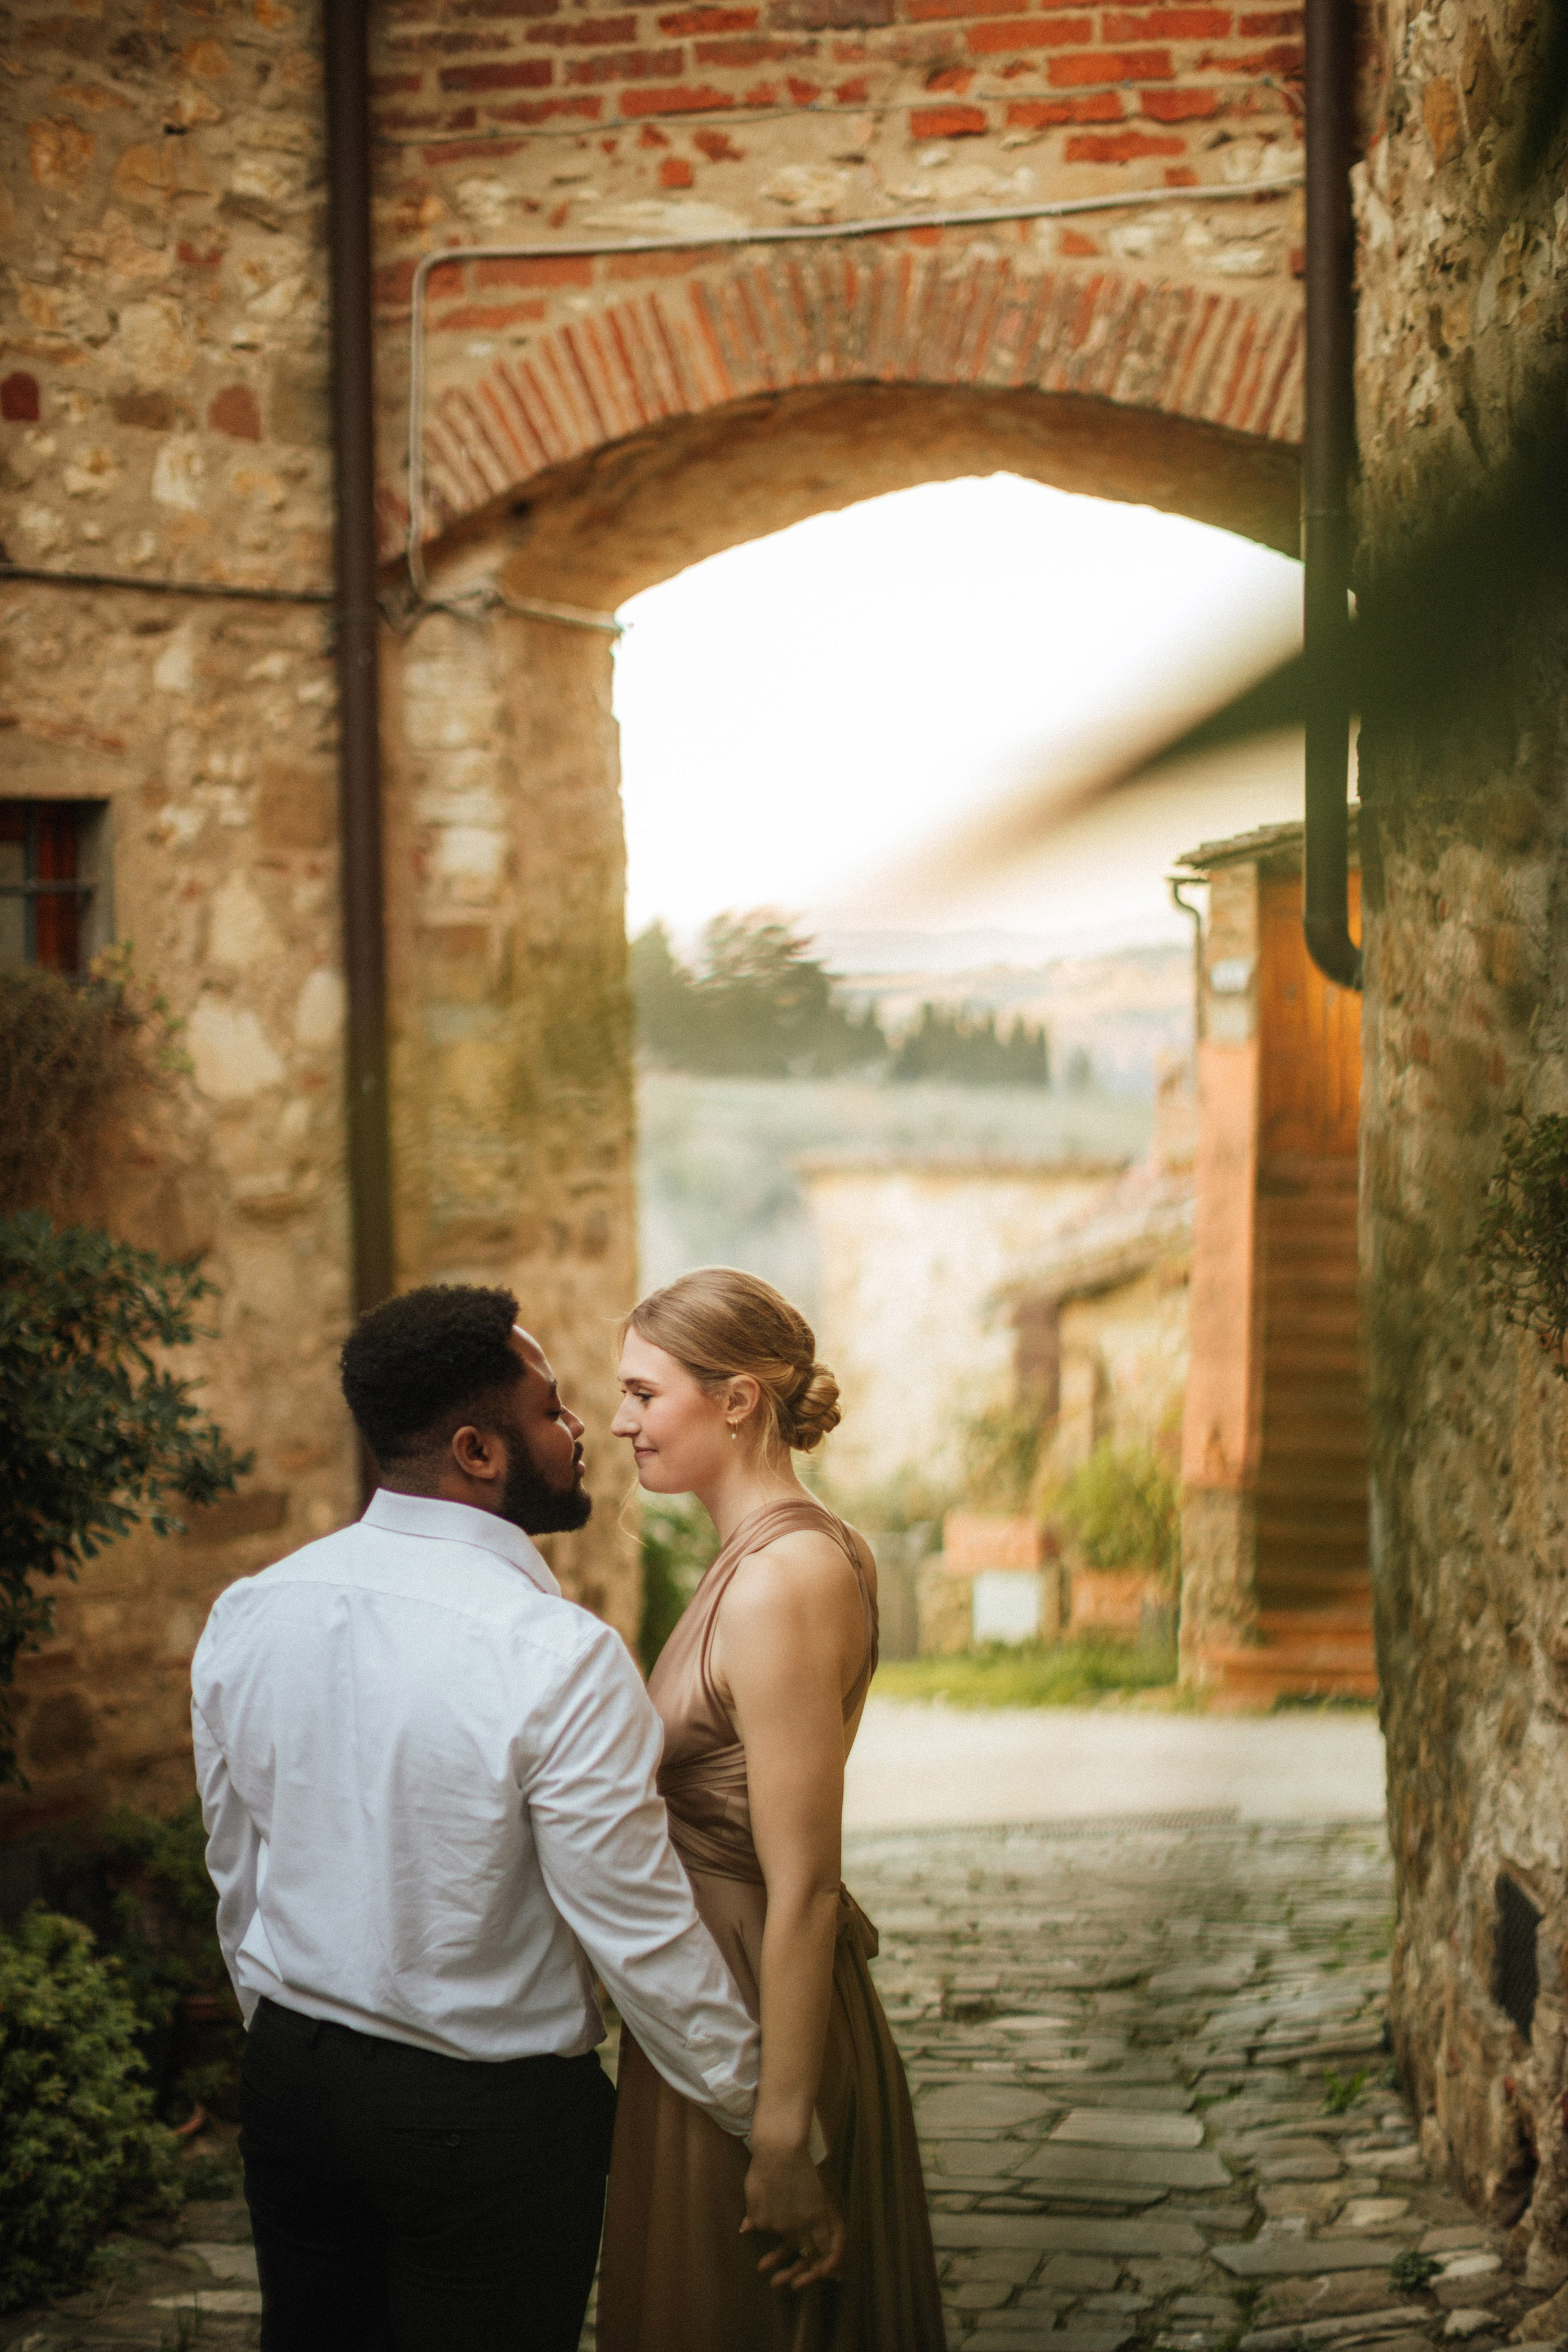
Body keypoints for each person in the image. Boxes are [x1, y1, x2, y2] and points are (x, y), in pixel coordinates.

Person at [190, 1284, 760, 2352]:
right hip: (486, 2122)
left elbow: (240, 1873)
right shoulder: (558, 1656)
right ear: (477, 1450)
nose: (583, 1427)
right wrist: (761, 2112)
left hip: (295, 2089)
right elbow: (634, 1930)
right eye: (551, 1409)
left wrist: (291, 2033)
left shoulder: (249, 1613)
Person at [597, 1267, 947, 2352]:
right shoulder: (769, 1558)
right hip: (715, 1990)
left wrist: (782, 2128)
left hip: (756, 2014)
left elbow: (804, 1881)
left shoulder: (780, 1581)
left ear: (738, 1399)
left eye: (645, 1394)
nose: (620, 1422)